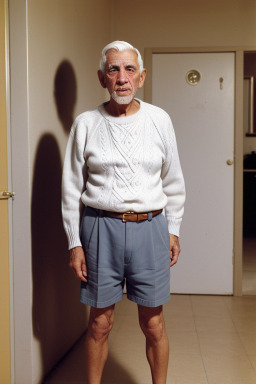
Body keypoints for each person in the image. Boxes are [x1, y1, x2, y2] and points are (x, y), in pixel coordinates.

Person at [62, 40, 185, 384]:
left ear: (141, 77)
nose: (122, 78)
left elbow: (173, 181)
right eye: (113, 69)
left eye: (129, 69)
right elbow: (71, 189)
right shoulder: (85, 124)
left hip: (151, 229)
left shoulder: (159, 119)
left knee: (153, 323)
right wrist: (75, 244)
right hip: (100, 229)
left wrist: (172, 229)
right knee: (100, 323)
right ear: (102, 78)